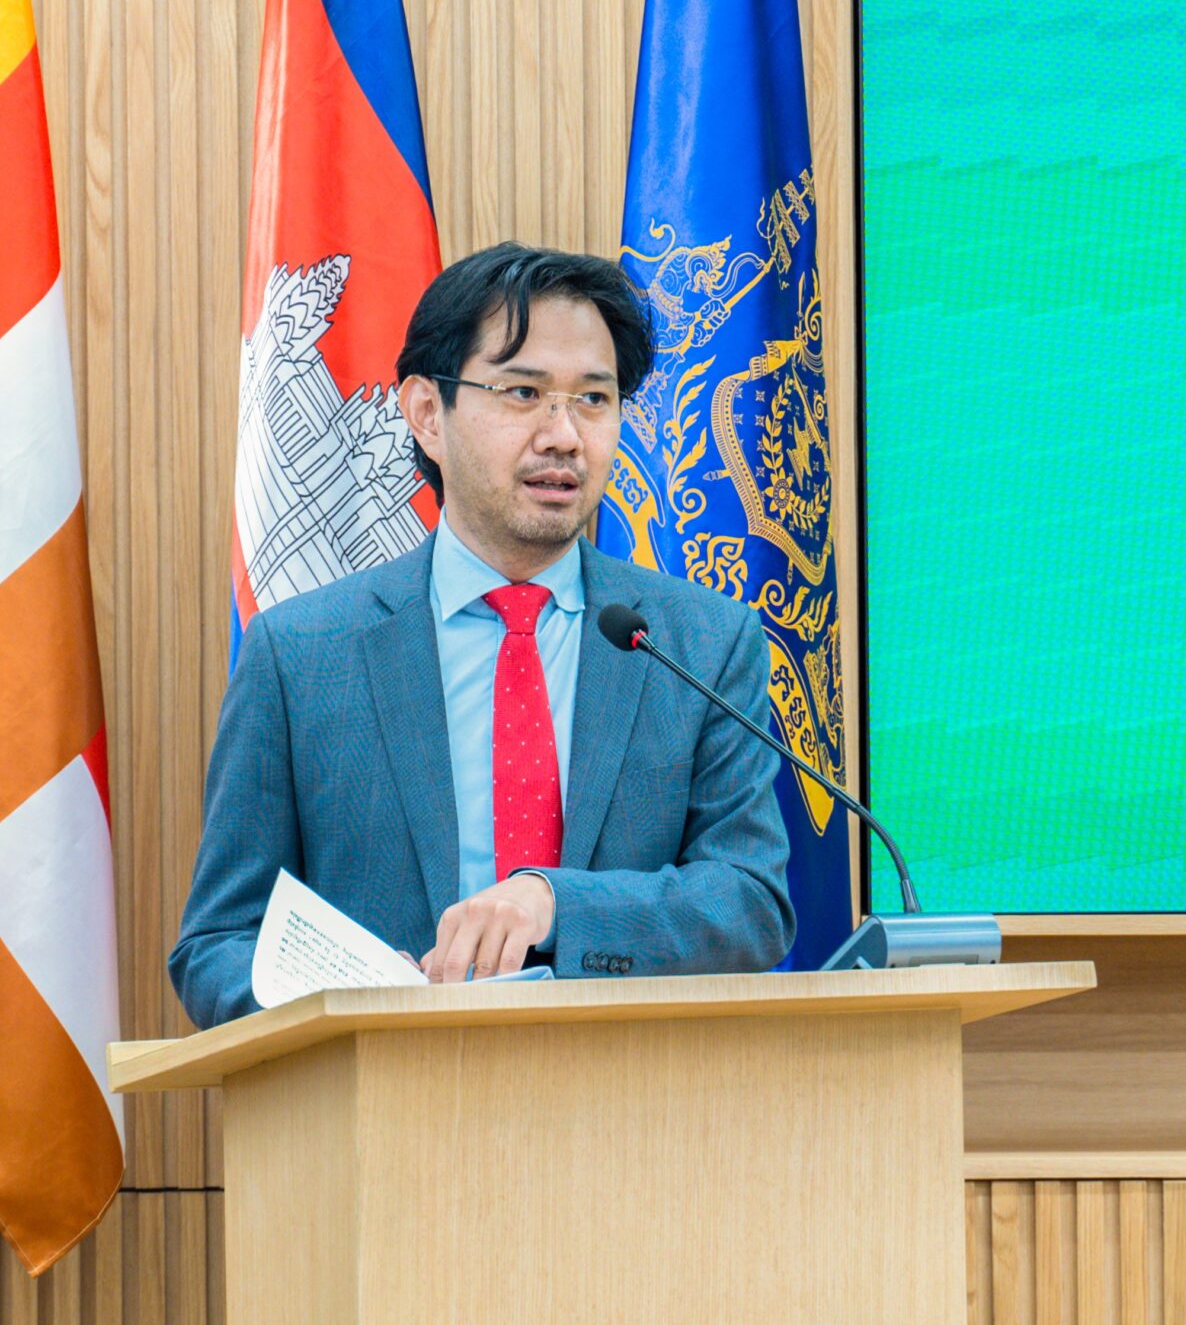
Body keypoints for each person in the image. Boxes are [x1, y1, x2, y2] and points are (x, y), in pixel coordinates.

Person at [169, 242, 793, 1027]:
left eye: (594, 399)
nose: (564, 435)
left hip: (634, 1091)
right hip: (392, 1090)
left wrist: (554, 903)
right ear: (428, 413)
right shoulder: (300, 656)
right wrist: (340, 1006)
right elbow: (220, 943)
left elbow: (750, 901)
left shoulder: (701, 644)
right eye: (523, 392)